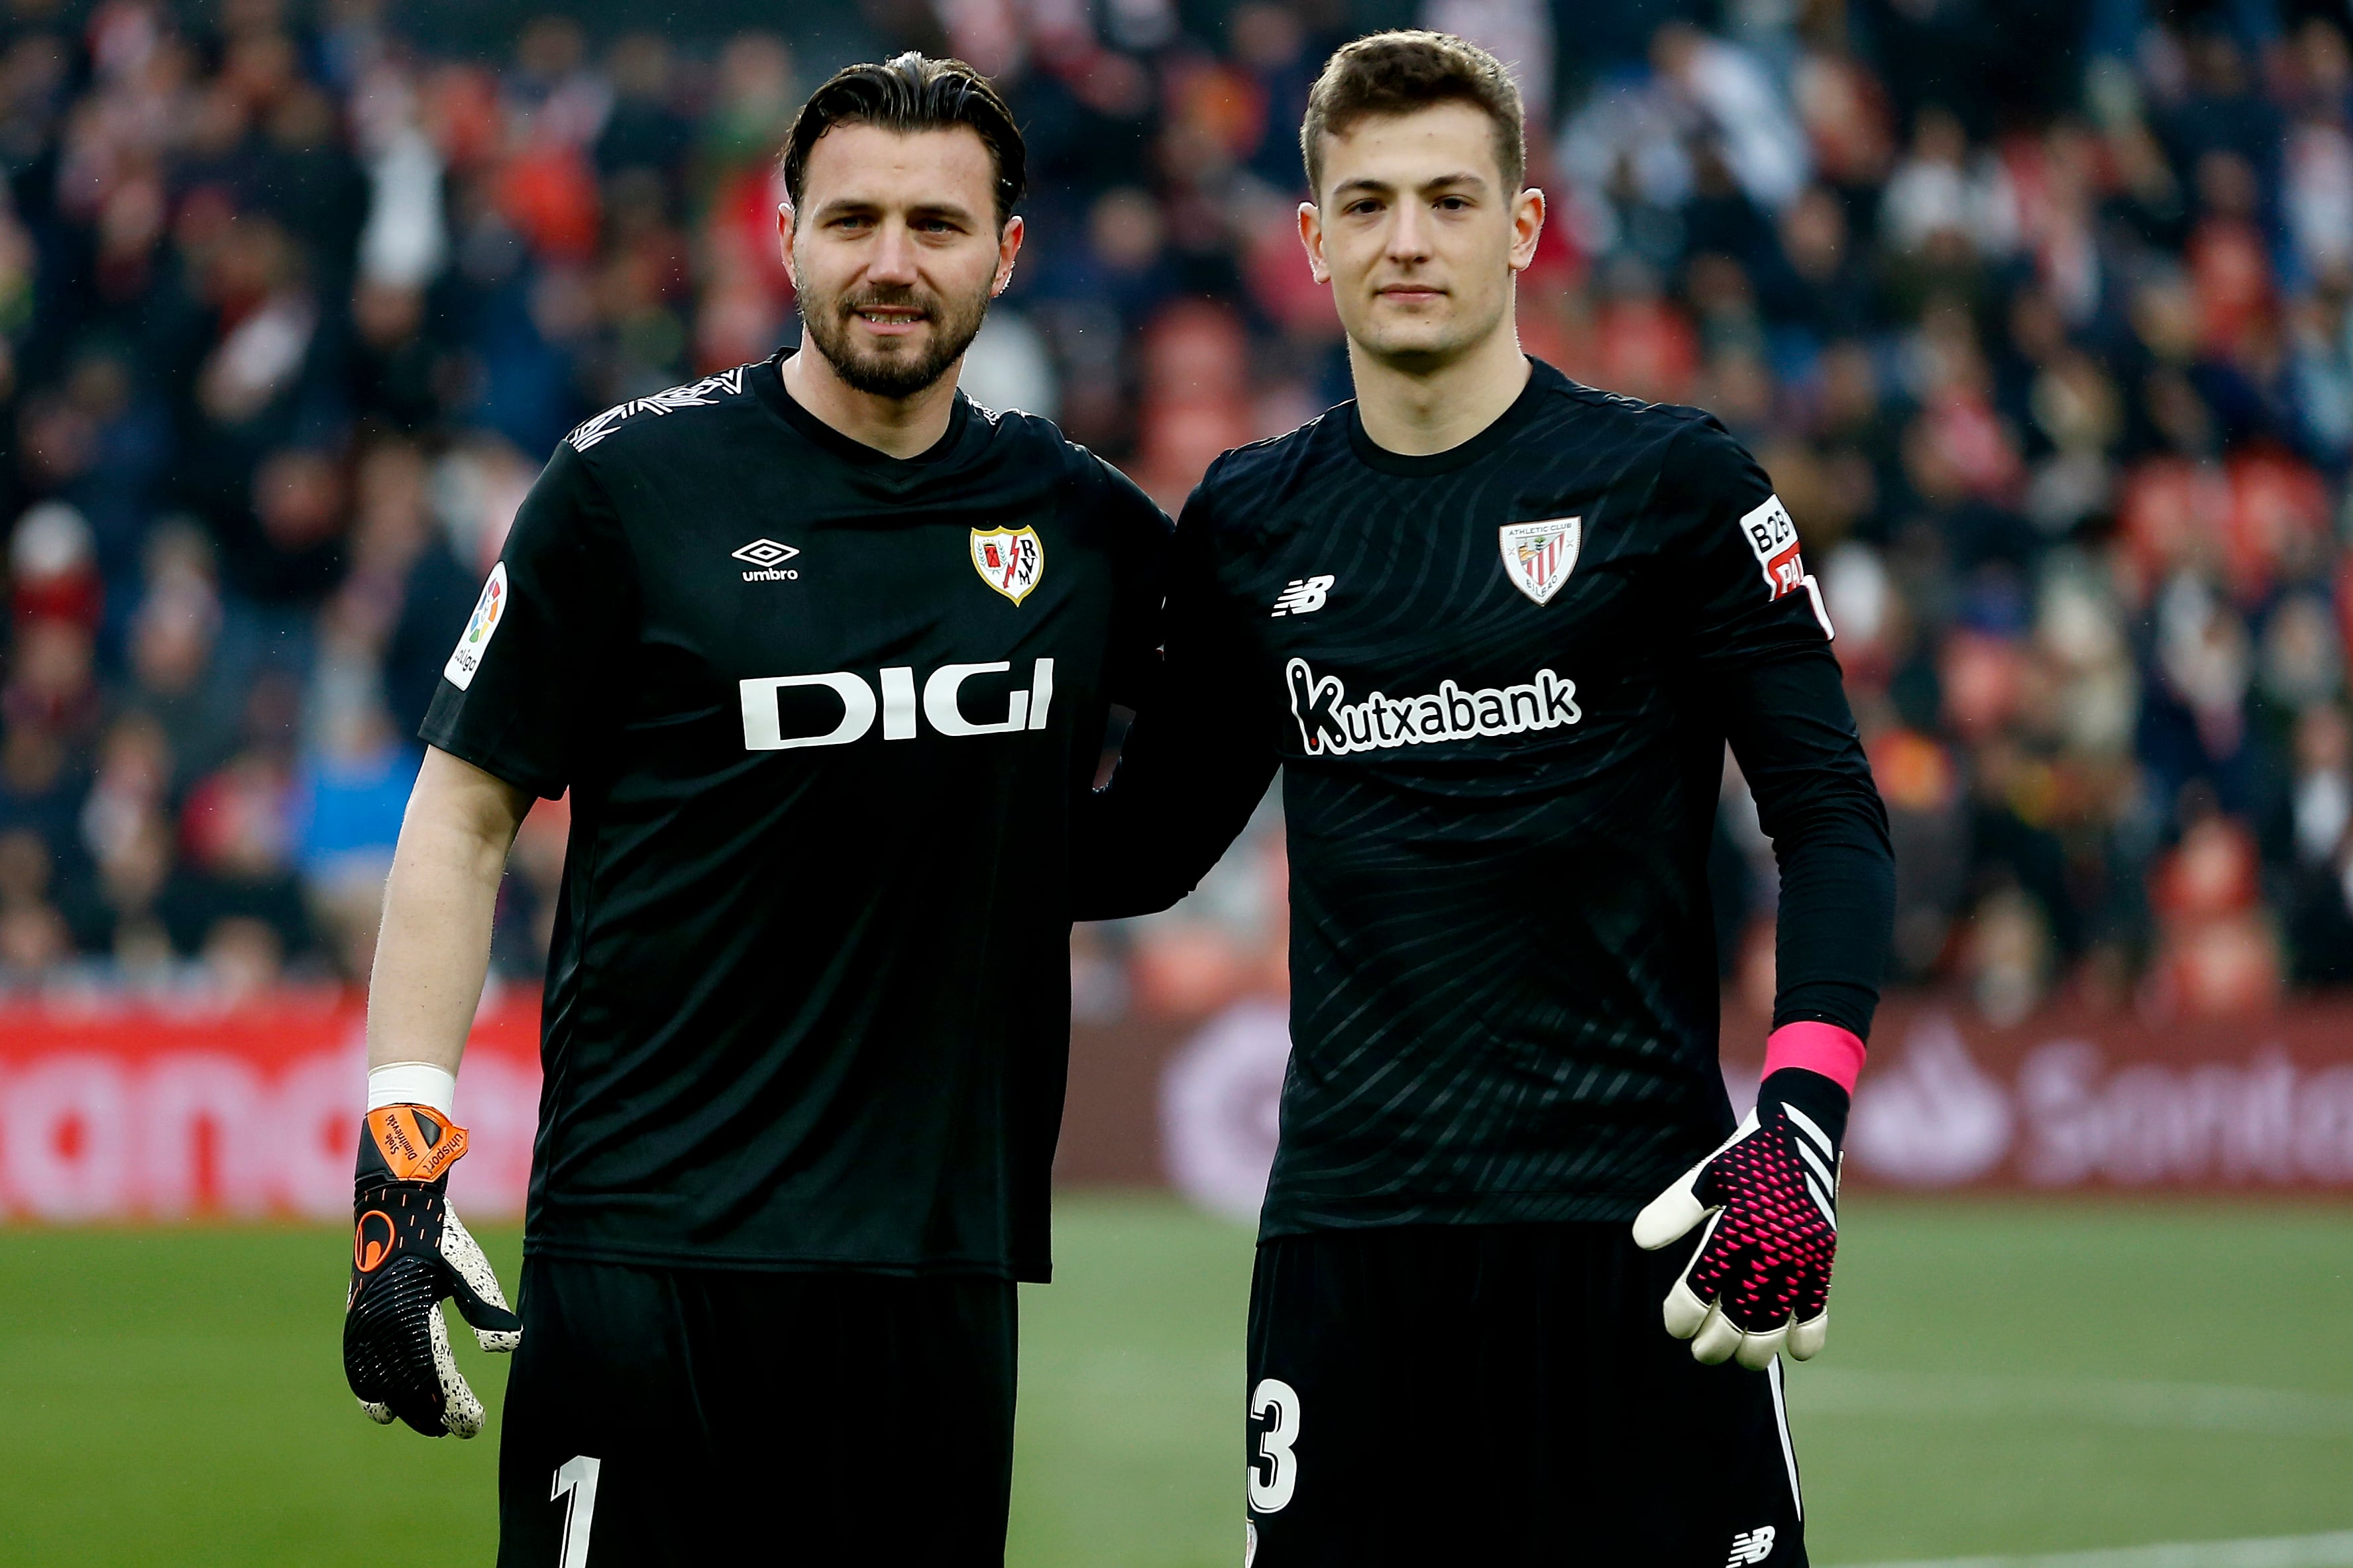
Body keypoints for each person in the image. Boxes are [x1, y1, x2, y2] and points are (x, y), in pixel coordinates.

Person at [1071, 31, 1893, 1567]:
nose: (1407, 239)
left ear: (1521, 227)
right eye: (1367, 203)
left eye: (1449, 199)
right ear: (1311, 243)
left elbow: (1831, 818)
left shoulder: (1672, 486)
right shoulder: (1252, 518)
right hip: (1350, 1247)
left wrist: (1802, 1126)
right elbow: (1148, 843)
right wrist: (881, 817)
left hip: (1640, 1235)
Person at [339, 54, 1168, 1565]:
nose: (893, 263)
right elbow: (462, 816)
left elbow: (1227, 756)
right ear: (783, 236)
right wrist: (402, 1149)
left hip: (937, 1268)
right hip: (647, 1260)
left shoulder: (1090, 526)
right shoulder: (625, 488)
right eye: (852, 220)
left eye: (936, 223)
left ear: (1008, 252)